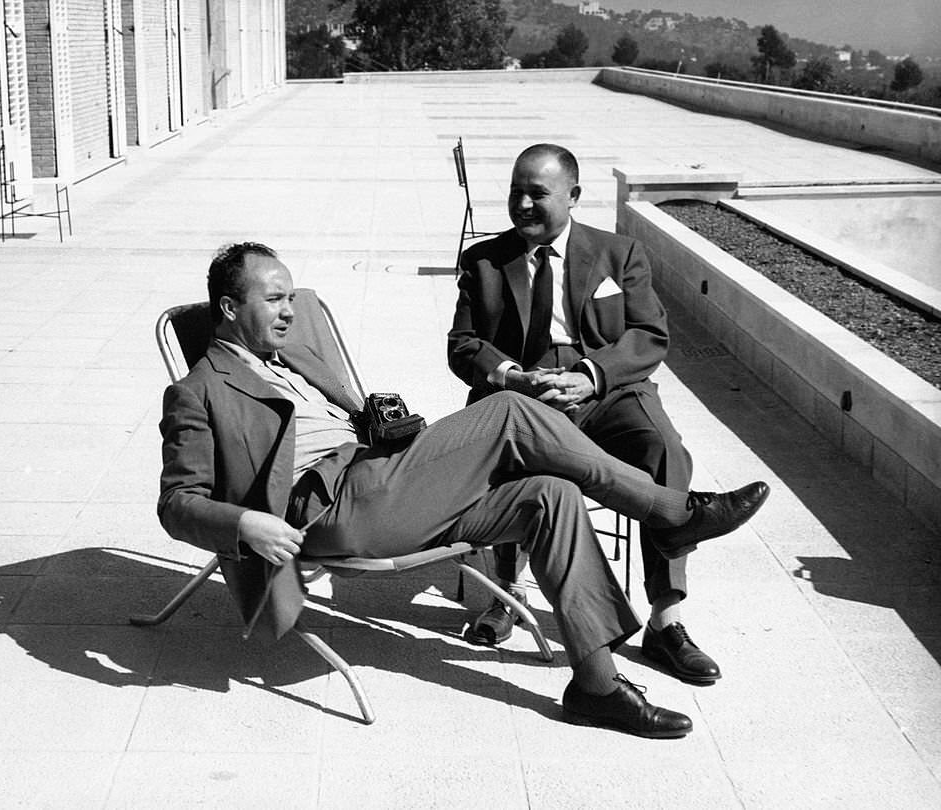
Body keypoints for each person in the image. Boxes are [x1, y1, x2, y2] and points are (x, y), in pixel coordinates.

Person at [158, 242, 769, 738]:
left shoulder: (293, 358)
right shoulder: (198, 390)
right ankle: (671, 512)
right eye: (274, 299)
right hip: (334, 507)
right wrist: (244, 525)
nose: (290, 311)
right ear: (230, 309)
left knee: (549, 496)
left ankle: (596, 687)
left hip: (390, 480)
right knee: (508, 409)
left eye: (292, 296)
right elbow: (177, 503)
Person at [448, 143, 719, 685]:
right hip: (524, 392)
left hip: (606, 389)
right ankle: (507, 594)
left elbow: (650, 334)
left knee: (664, 450)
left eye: (537, 193)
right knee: (506, 452)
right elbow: (463, 344)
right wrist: (510, 376)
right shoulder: (484, 261)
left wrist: (591, 375)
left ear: (573, 196)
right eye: (515, 191)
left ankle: (666, 623)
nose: (522, 203)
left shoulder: (620, 253)